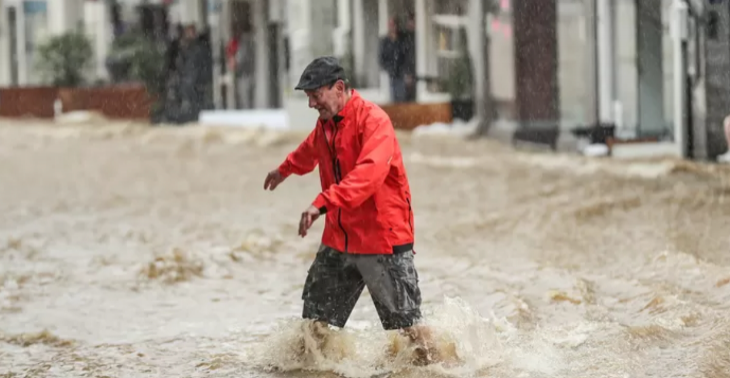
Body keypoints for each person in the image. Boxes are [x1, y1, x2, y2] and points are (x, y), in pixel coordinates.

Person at [263, 56, 436, 364]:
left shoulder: (374, 121)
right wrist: (283, 170)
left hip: (382, 241)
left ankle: (452, 369)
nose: (312, 104)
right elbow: (309, 151)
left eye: (316, 95)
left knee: (412, 333)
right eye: (308, 97)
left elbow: (368, 176)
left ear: (338, 88)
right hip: (340, 240)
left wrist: (321, 203)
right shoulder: (326, 125)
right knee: (313, 326)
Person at [379, 18, 408, 103]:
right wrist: (388, 68)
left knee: (402, 96)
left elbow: (406, 55)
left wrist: (405, 69)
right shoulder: (385, 42)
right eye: (391, 25)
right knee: (392, 96)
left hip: (402, 72)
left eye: (394, 25)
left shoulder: (402, 40)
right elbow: (381, 58)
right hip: (391, 73)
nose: (393, 28)